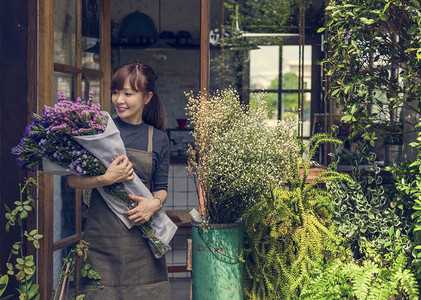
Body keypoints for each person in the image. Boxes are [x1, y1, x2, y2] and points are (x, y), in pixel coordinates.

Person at [67, 62, 171, 299]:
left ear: (147, 97)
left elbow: (162, 189)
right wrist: (106, 178)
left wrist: (153, 205)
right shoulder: (97, 132)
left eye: (128, 93)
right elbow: (72, 181)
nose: (119, 100)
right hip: (101, 242)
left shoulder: (158, 139)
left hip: (143, 241)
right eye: (116, 92)